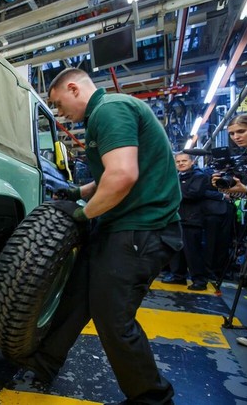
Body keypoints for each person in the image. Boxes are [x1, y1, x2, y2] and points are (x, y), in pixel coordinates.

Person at [33, 68, 182, 404]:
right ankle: (42, 361)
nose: (60, 115)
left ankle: (152, 397)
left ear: (73, 88)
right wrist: (75, 192)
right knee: (78, 296)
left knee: (112, 317)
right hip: (119, 227)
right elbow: (106, 179)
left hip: (141, 230)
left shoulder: (110, 110)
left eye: (58, 105)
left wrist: (82, 212)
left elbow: (123, 176)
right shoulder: (104, 115)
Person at [209, 114, 247, 354]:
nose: (236, 138)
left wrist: (244, 188)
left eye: (241, 132)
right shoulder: (243, 160)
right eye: (233, 133)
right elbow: (240, 194)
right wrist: (230, 190)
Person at [161, 152, 209, 290]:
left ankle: (200, 280)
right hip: (177, 219)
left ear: (192, 162)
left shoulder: (199, 176)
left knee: (193, 252)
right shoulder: (176, 177)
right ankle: (178, 276)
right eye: (178, 161)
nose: (181, 163)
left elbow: (193, 194)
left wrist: (171, 192)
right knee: (177, 251)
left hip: (192, 220)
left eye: (184, 161)